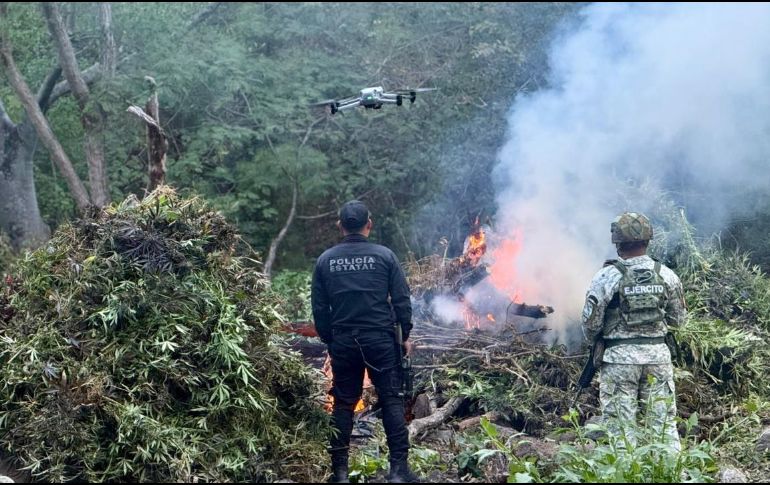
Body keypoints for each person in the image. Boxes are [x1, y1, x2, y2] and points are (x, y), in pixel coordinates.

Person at [312, 200, 418, 483]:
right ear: (369, 224)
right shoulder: (385, 256)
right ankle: (398, 472)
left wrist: (331, 340)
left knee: (343, 403)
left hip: (344, 340)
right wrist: (404, 336)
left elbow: (319, 309)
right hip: (380, 340)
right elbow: (402, 301)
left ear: (340, 226)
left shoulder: (325, 260)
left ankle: (340, 474)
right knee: (391, 400)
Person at [581, 212, 686, 451]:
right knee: (663, 426)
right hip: (658, 359)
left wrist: (602, 339)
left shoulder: (607, 277)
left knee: (621, 429)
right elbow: (678, 321)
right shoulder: (667, 275)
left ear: (617, 243)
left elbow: (590, 324)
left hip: (619, 362)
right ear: (648, 240)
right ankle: (669, 475)